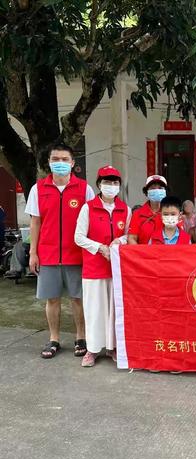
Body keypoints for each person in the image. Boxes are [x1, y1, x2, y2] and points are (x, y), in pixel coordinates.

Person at [25, 143, 95, 359]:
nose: (60, 163)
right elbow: (35, 223)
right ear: (49, 162)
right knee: (52, 299)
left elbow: (93, 221)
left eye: (65, 160)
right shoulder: (38, 189)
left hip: (77, 254)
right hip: (48, 255)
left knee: (78, 298)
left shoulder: (85, 189)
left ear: (73, 163)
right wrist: (33, 253)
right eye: (56, 159)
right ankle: (54, 338)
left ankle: (80, 337)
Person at [74, 166, 131, 367]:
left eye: (115, 183)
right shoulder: (88, 207)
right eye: (107, 182)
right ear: (99, 185)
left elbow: (130, 235)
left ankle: (113, 347)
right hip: (93, 269)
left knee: (114, 310)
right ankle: (92, 349)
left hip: (116, 269)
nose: (111, 186)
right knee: (94, 310)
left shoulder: (125, 209)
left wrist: (119, 241)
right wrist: (100, 248)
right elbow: (79, 237)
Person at [128, 175, 167, 245]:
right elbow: (132, 238)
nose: (157, 190)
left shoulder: (172, 213)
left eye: (160, 188)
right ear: (146, 192)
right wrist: (140, 254)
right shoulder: (137, 214)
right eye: (152, 188)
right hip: (144, 254)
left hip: (167, 254)